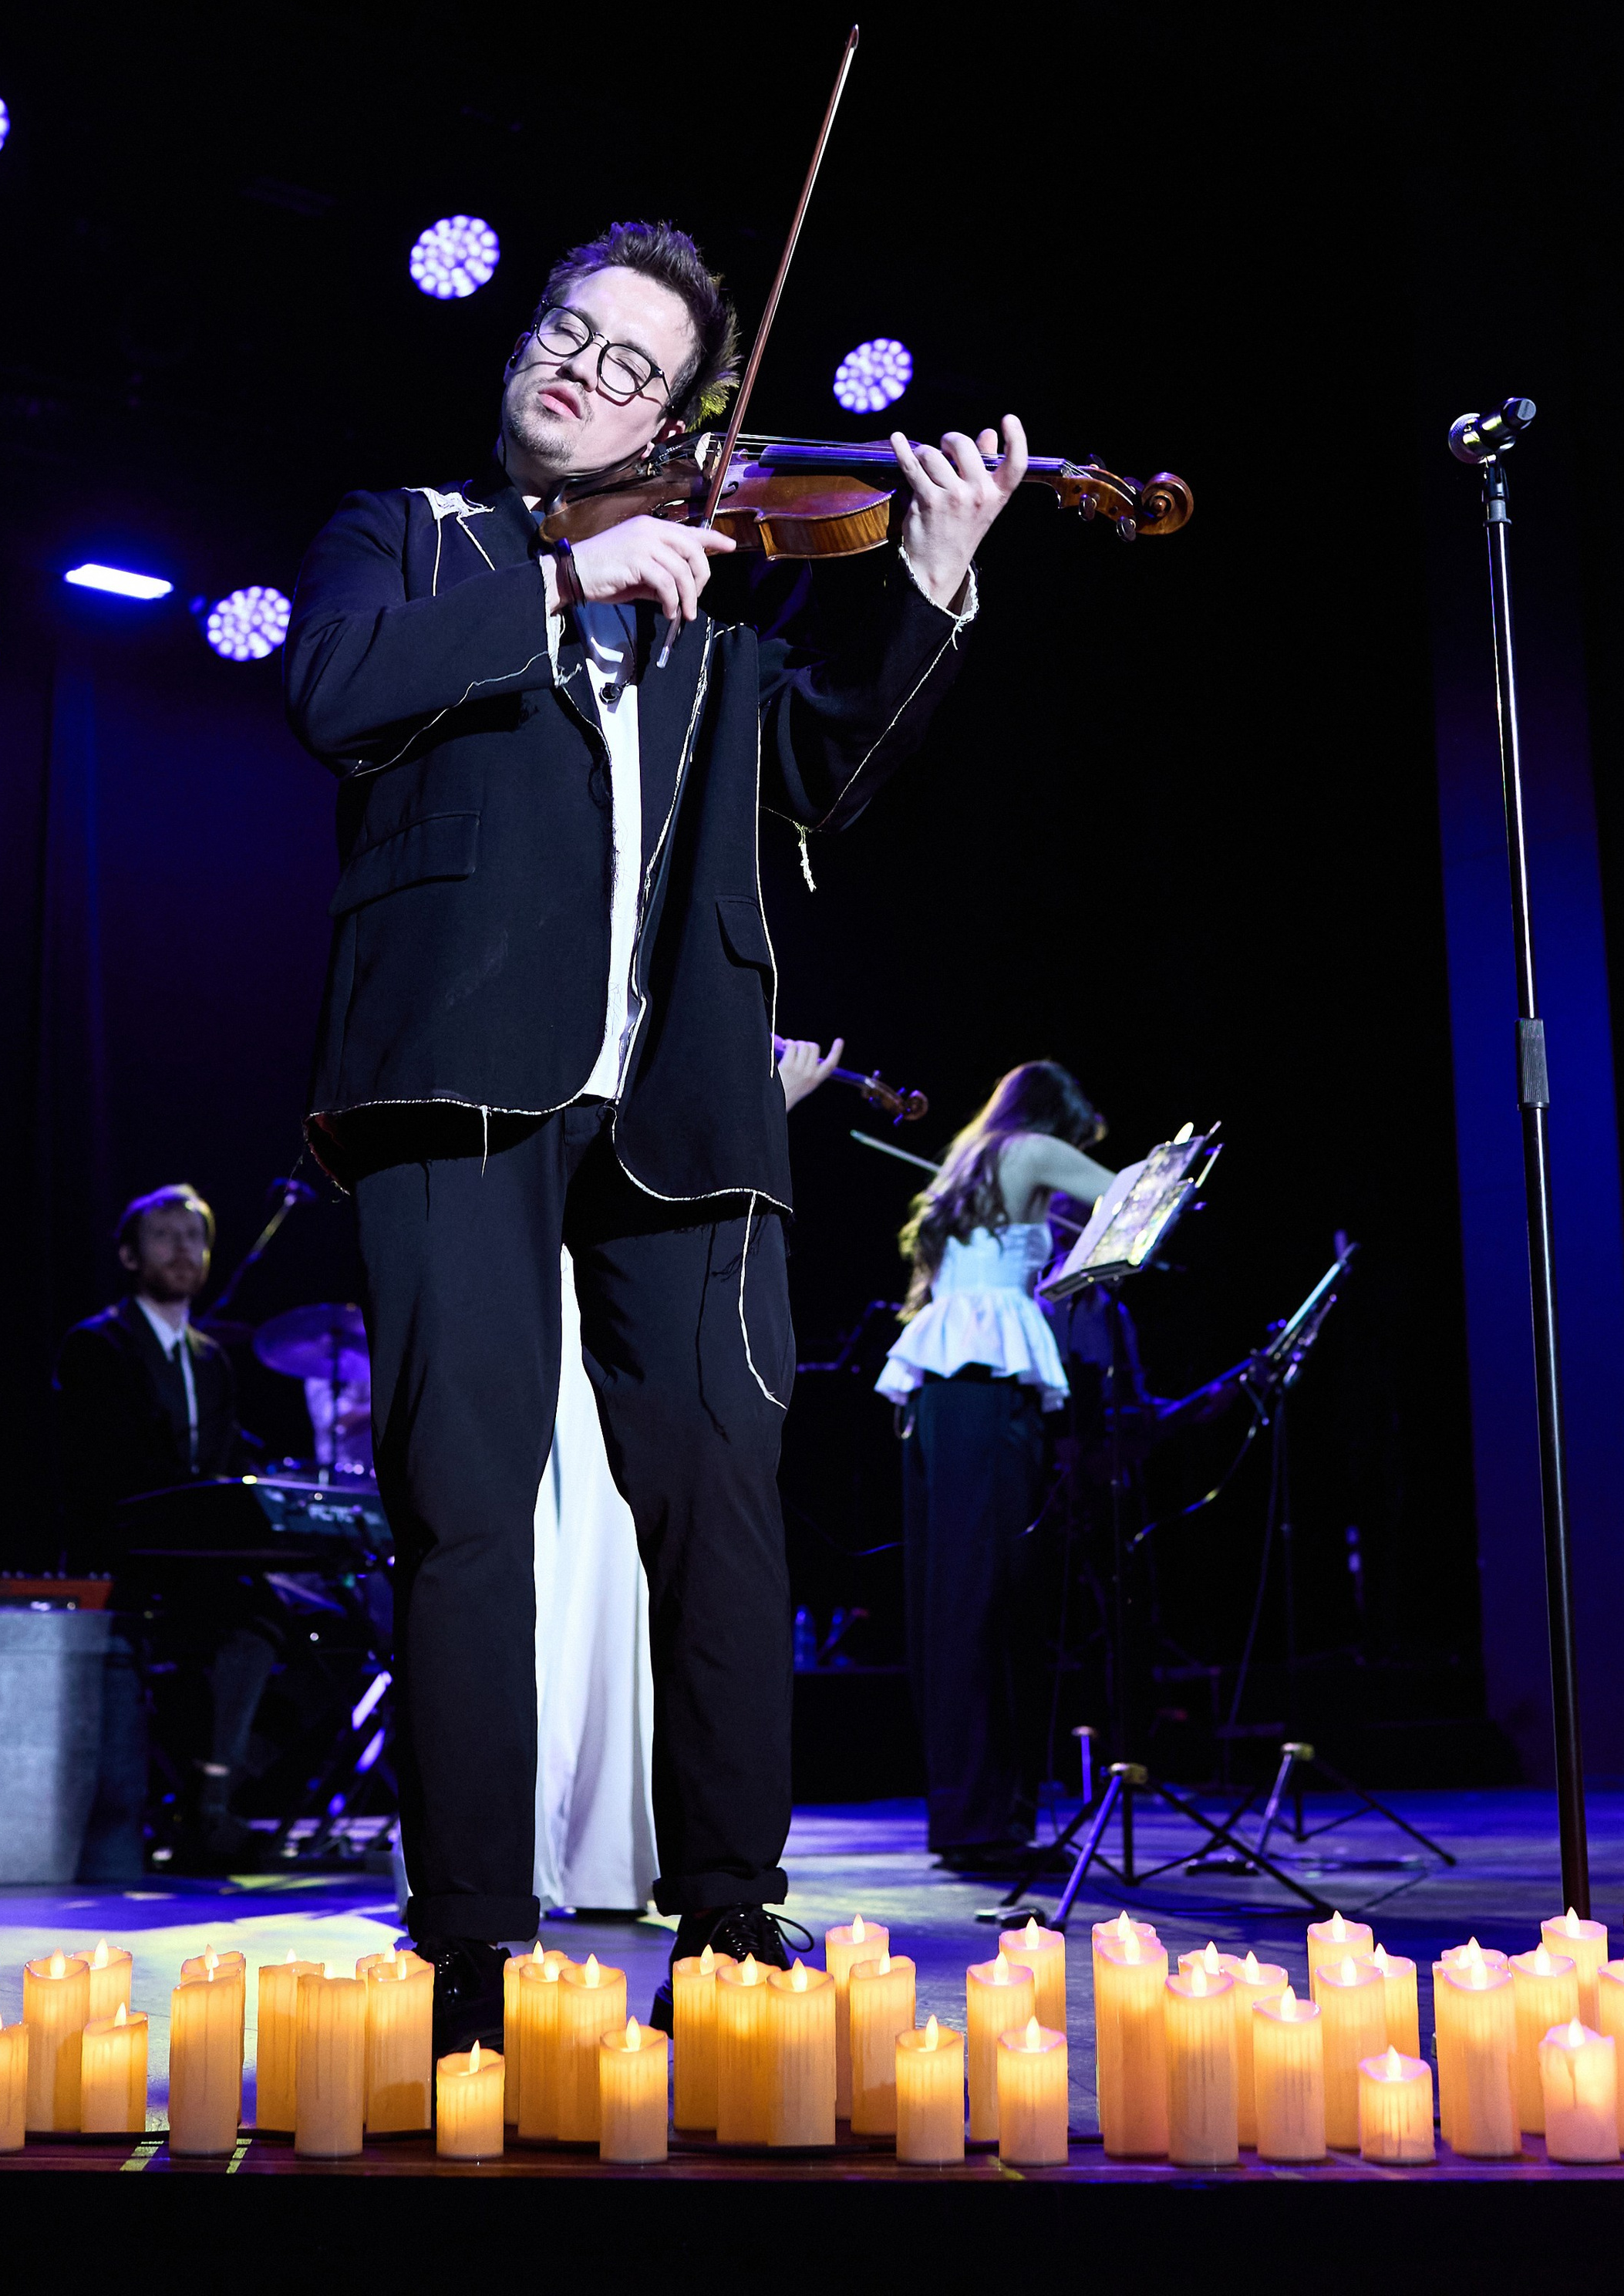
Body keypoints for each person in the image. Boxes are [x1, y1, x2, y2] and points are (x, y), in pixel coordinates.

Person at [285, 216, 1026, 2049]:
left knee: (722, 1509)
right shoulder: (409, 533)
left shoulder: (714, 610)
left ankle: (727, 1919)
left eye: (629, 365)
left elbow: (830, 774)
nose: (579, 370)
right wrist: (560, 582)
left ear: (677, 416)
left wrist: (931, 580)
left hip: (684, 1106)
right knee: (458, 1513)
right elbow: (333, 690)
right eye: (566, 331)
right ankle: (466, 1933)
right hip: (451, 1068)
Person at [533, 1033, 844, 1917]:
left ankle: (613, 1853)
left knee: (634, 1575)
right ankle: (534, 1844)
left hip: (645, 1271)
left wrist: (760, 1100)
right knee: (558, 1567)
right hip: (565, 1270)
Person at [877, 1060, 1117, 1875]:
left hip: (941, 1393)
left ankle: (971, 1812)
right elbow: (1130, 1198)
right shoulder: (1032, 1150)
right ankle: (986, 1823)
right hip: (985, 1385)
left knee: (952, 1602)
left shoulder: (969, 1162)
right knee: (988, 1598)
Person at [55, 1184, 271, 1870]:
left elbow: (230, 1455)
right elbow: (111, 1469)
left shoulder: (211, 1359)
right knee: (240, 1618)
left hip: (196, 1556)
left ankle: (211, 1800)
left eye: (195, 1238)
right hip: (127, 1558)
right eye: (165, 1237)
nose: (184, 1251)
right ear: (129, 1254)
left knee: (279, 1622)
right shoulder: (98, 1345)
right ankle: (195, 1811)